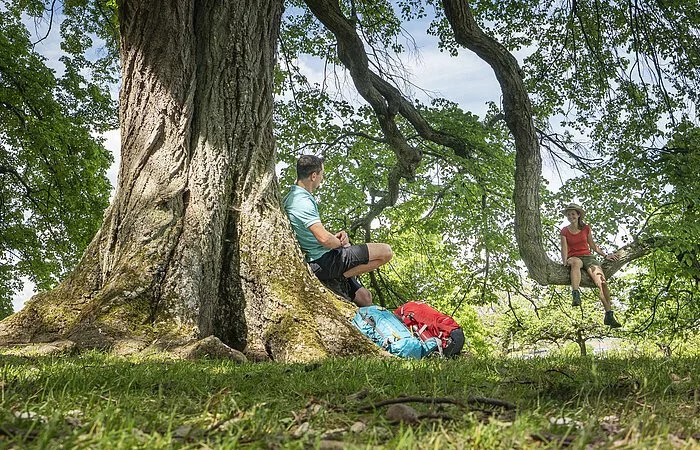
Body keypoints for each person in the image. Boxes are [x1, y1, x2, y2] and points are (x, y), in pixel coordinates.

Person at [283, 155, 393, 306]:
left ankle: (340, 277)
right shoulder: (301, 201)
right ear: (314, 176)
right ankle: (340, 276)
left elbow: (318, 235)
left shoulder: (296, 197)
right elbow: (324, 239)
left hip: (324, 256)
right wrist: (340, 244)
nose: (322, 178)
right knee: (386, 252)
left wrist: (337, 238)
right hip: (323, 261)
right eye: (322, 174)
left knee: (365, 297)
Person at [560, 203, 622, 328]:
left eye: (573, 214)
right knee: (576, 263)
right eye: (568, 214)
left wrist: (605, 255)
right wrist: (564, 261)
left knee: (602, 282)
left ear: (578, 215)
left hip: (588, 257)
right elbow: (564, 248)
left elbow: (593, 245)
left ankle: (609, 314)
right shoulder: (565, 231)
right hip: (574, 257)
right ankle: (576, 294)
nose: (570, 216)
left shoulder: (586, 228)